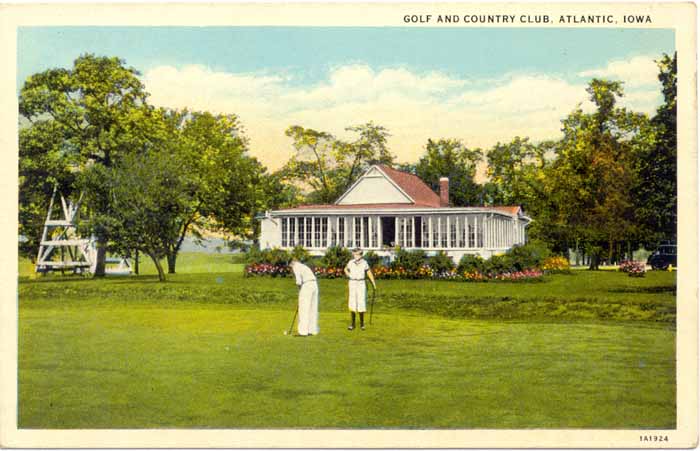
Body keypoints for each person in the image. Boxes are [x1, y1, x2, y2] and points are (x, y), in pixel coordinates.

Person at [344, 248, 376, 331]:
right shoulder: (351, 262)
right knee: (352, 302)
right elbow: (345, 269)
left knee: (361, 302)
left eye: (357, 254)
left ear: (361, 255)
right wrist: (349, 275)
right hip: (352, 283)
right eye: (354, 254)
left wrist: (373, 283)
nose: (355, 256)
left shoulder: (364, 263)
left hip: (361, 283)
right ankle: (352, 324)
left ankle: (362, 324)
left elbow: (369, 272)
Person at [289, 257, 319, 336]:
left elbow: (299, 282)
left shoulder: (296, 266)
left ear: (292, 263)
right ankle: (312, 330)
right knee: (313, 308)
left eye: (290, 266)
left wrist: (300, 292)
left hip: (307, 285)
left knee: (304, 309)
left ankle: (302, 332)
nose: (291, 268)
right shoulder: (304, 266)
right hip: (314, 285)